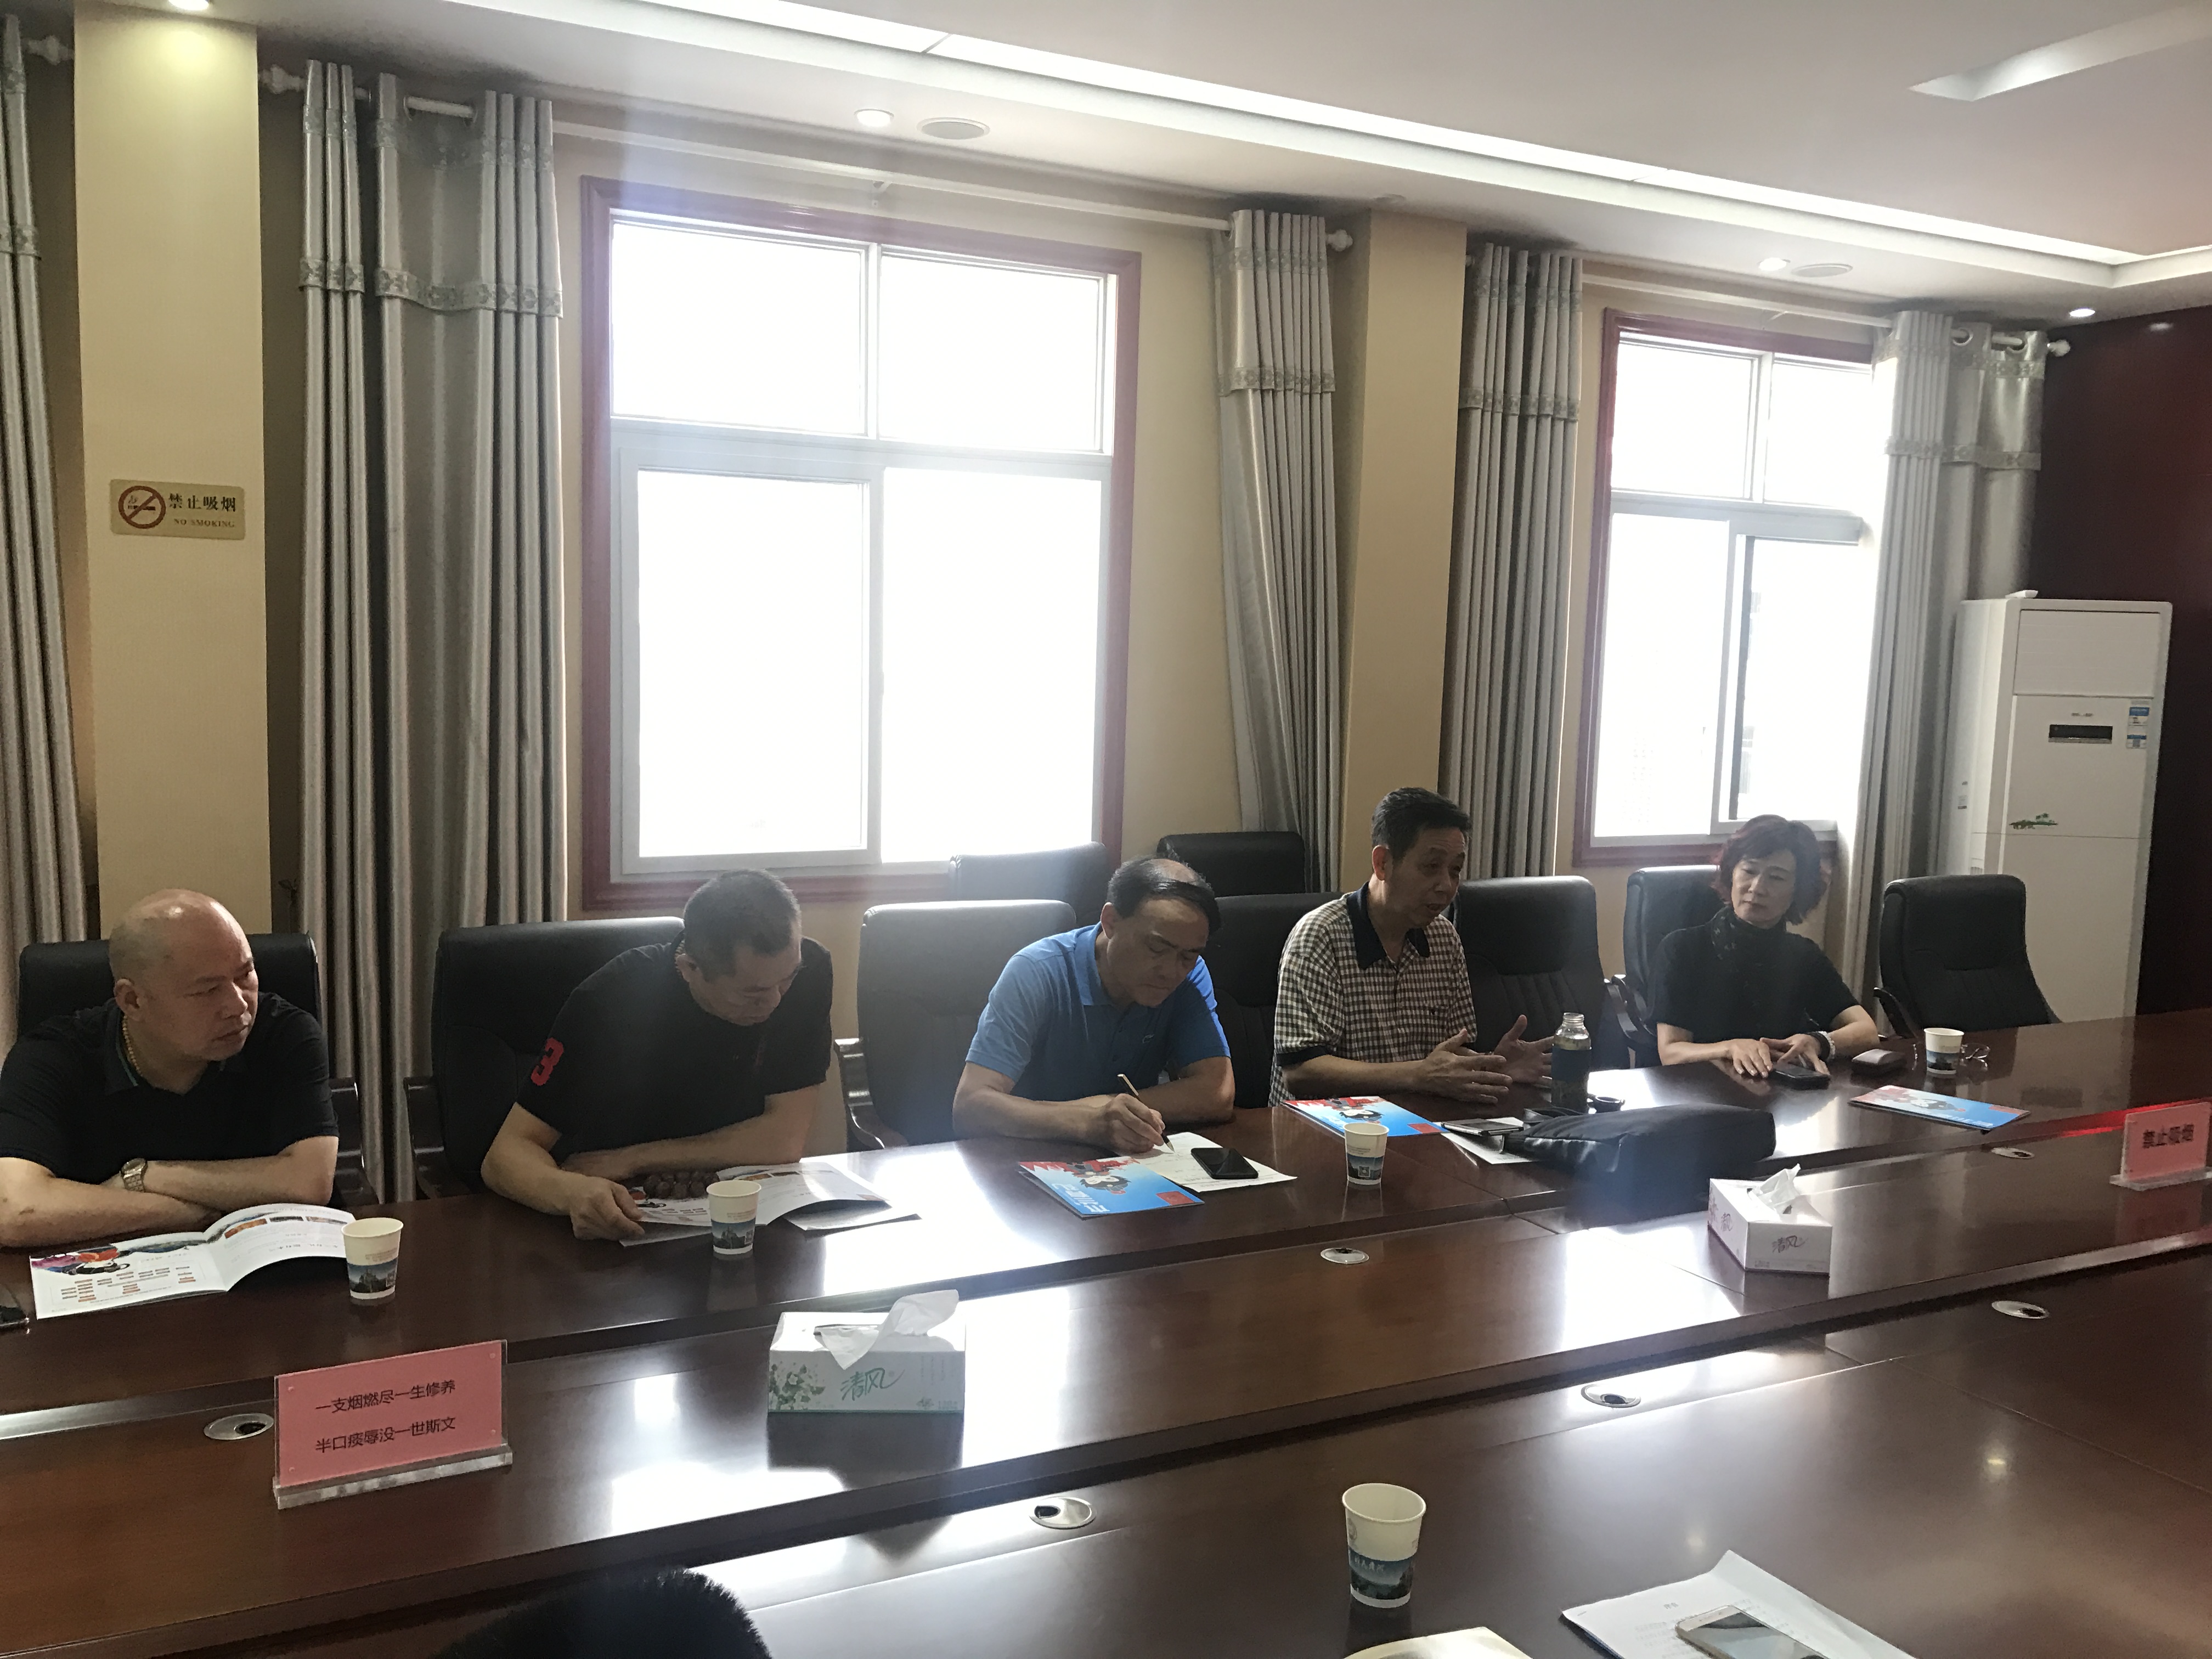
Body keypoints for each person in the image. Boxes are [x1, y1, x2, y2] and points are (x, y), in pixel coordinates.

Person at [481, 871, 830, 1242]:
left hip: (731, 1207)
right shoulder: (609, 1002)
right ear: (690, 968)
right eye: (752, 993)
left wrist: (632, 1158)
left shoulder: (807, 972)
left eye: (787, 979)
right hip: (617, 1215)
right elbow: (504, 1156)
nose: (776, 1001)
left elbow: (783, 1139)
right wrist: (571, 1193)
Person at [0, 890, 338, 1250]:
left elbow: (309, 1181)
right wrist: (188, 1215)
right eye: (207, 991)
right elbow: (14, 1211)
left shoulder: (284, 1032)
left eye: (245, 974)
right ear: (133, 1001)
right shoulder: (52, 1056)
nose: (238, 1005)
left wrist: (145, 1176)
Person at [1273, 788, 1549, 1109]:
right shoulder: (1320, 937)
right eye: (1431, 866)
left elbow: (1450, 1054)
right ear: (1383, 863)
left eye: (1455, 870)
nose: (1447, 886)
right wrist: (1418, 1075)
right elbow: (1302, 1071)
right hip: (1326, 1125)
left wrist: (1492, 1066)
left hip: (1414, 1120)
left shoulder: (1444, 938)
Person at [953, 857, 1235, 1154]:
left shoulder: (1191, 976)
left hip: (1129, 1158)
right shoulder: (1036, 971)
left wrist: (1109, 1109)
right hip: (1025, 1156)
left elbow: (1217, 1093)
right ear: (1110, 921)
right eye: (1156, 948)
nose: (1171, 971)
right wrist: (1088, 1122)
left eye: (1188, 956)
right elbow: (971, 1106)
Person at [1652, 814, 1878, 1079]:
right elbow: (1671, 1051)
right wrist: (1729, 1048)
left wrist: (1819, 1042)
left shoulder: (1803, 956)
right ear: (1732, 874)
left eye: (1777, 878)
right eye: (1749, 871)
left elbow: (1867, 1031)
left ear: (1798, 890)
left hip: (1779, 1093)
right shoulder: (1683, 948)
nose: (1757, 888)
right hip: (1698, 1091)